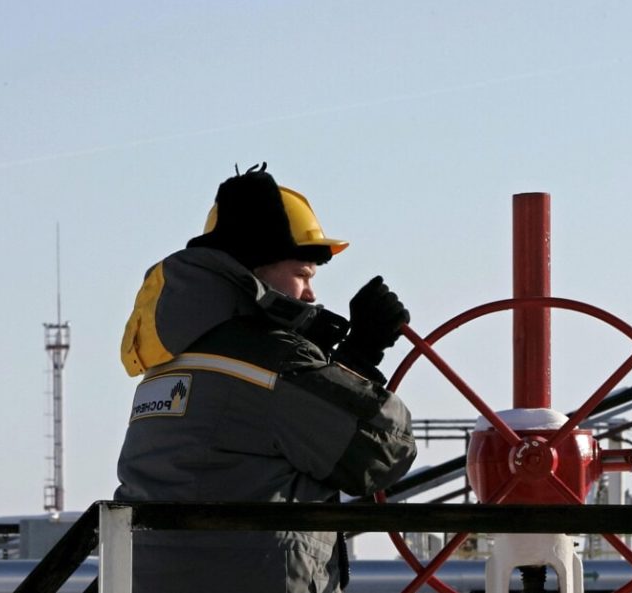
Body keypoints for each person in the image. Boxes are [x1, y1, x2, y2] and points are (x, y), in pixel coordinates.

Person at [115, 163, 417, 592]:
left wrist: (343, 366)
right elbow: (380, 452)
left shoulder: (170, 357)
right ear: (255, 269)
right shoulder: (271, 363)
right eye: (302, 275)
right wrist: (360, 358)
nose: (311, 294)